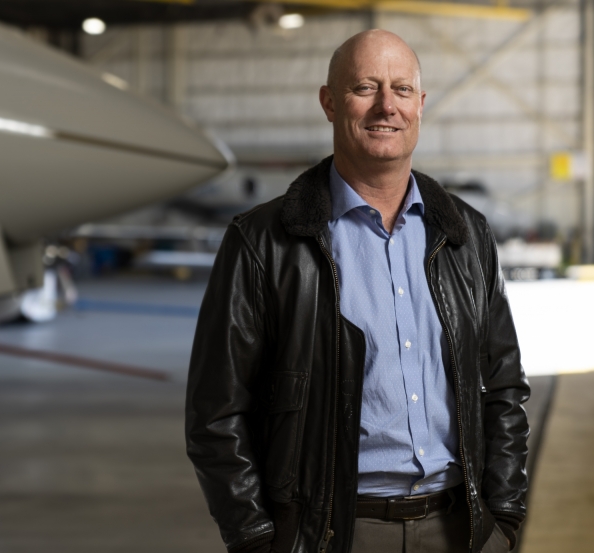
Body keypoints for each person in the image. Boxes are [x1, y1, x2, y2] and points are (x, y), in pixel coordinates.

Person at [185, 29, 529, 553]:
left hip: (459, 528)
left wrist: (503, 513)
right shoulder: (263, 242)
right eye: (364, 87)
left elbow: (503, 387)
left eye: (402, 89)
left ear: (420, 104)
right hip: (333, 533)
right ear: (329, 102)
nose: (386, 106)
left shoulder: (466, 235)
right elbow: (215, 414)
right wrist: (255, 538)